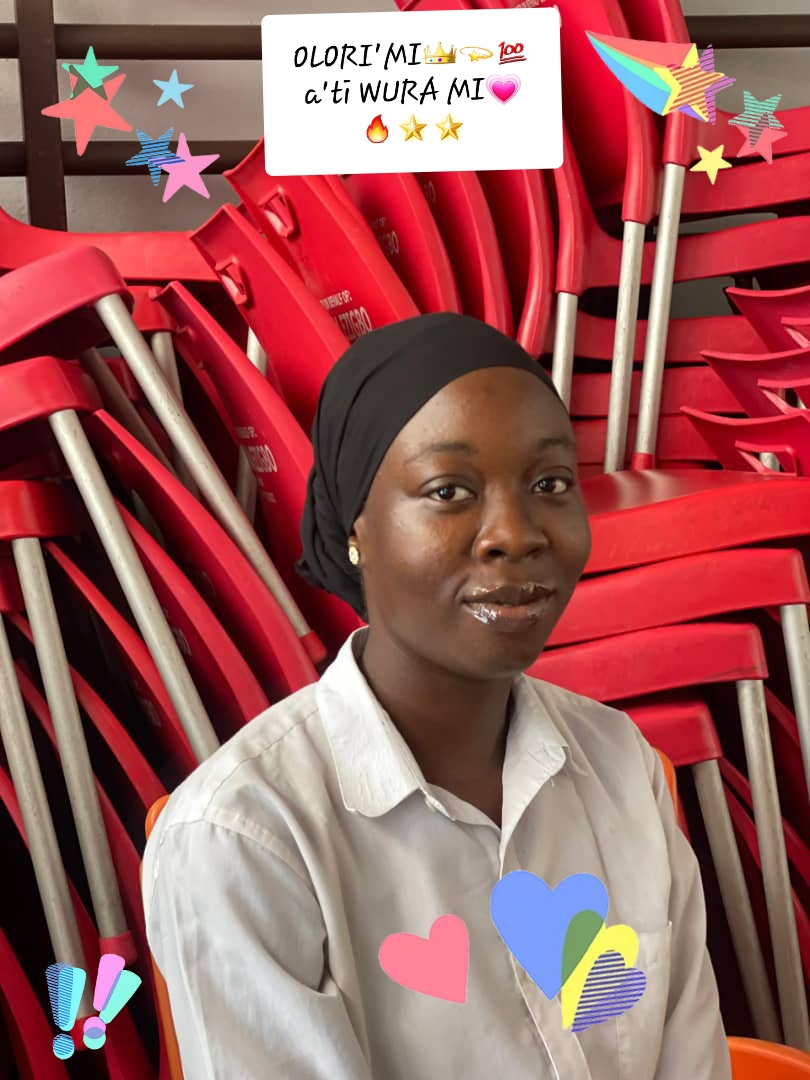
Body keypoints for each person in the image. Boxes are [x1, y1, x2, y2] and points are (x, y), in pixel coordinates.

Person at [142, 312, 731, 1079]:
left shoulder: (621, 766)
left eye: (550, 484)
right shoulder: (244, 838)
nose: (514, 534)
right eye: (448, 490)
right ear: (355, 528)